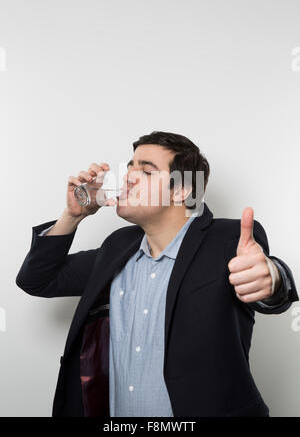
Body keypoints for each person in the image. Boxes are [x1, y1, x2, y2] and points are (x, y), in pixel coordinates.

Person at [16, 131, 299, 417]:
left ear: (181, 190)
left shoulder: (228, 239)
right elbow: (38, 278)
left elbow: (269, 286)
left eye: (146, 171)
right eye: (130, 166)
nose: (128, 176)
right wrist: (73, 215)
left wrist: (273, 278)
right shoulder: (117, 246)